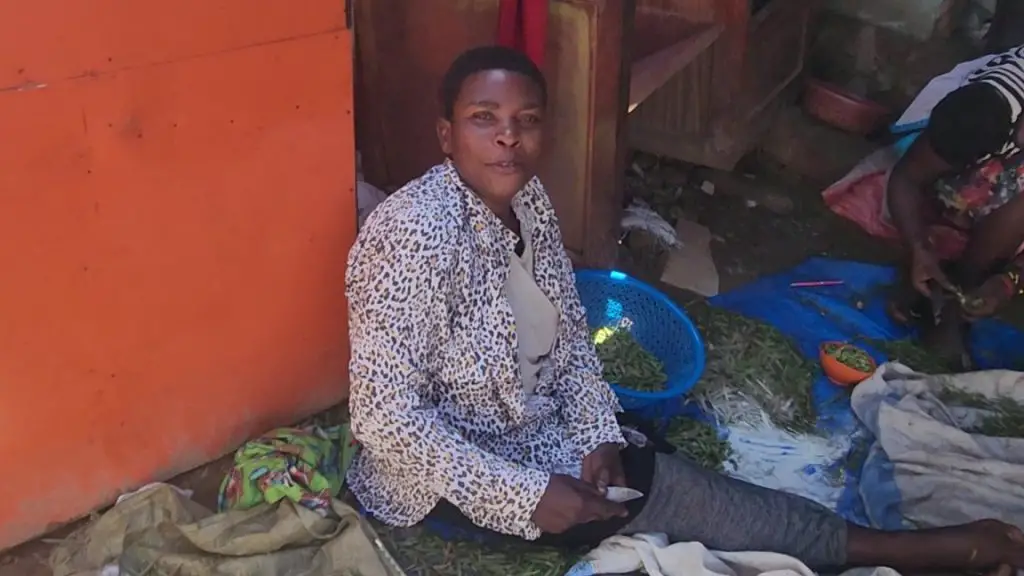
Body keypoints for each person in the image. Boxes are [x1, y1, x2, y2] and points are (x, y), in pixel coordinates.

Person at [347, 45, 1024, 573]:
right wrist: (521, 497)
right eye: (483, 120)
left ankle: (874, 541)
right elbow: (383, 419)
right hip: (448, 468)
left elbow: (572, 338)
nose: (508, 140)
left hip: (527, 417)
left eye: (526, 121)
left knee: (631, 455)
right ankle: (918, 551)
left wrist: (594, 435)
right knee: (662, 491)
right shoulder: (411, 233)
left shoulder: (527, 203)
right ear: (445, 134)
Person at [887, 45, 1024, 366]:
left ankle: (957, 303)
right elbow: (907, 177)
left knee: (1018, 210)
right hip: (987, 135)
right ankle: (934, 278)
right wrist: (919, 249)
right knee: (959, 173)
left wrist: (1008, 283)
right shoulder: (982, 109)